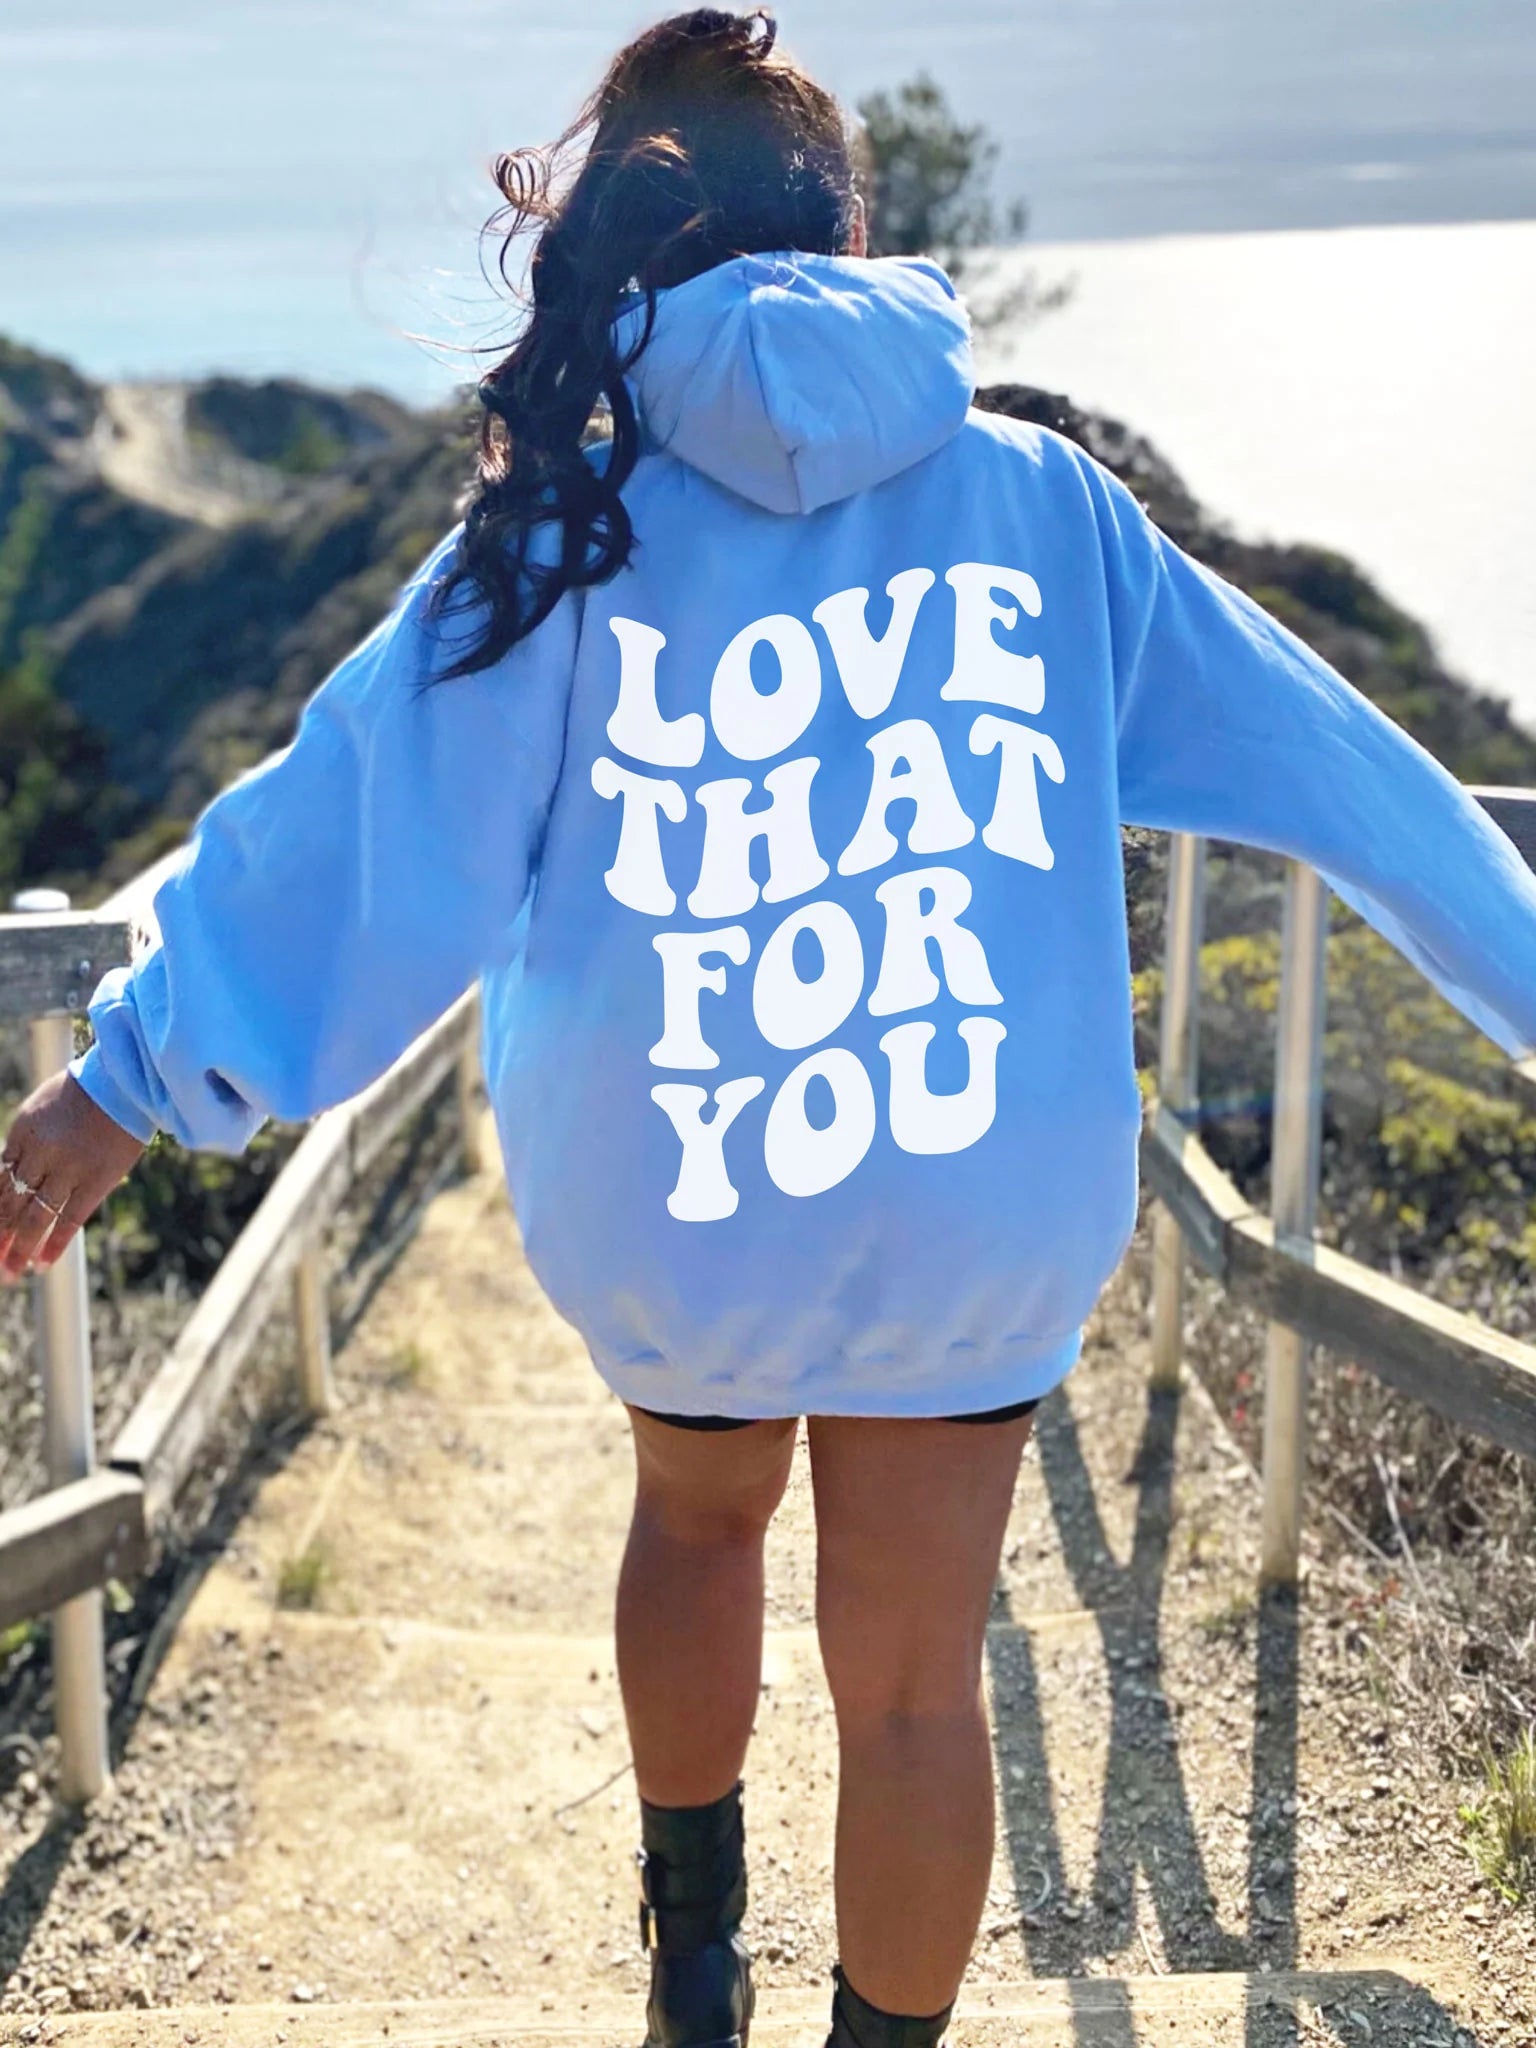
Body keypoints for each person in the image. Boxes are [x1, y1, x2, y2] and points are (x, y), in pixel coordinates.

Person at [5, 10, 1536, 2045]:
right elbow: (1343, 769)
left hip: (684, 1184)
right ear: (848, 238)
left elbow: (357, 834)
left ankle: (695, 1957)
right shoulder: (1047, 507)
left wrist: (130, 1075)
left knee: (696, 1518)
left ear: (619, 250)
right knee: (915, 1685)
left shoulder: (562, 527)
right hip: (981, 1180)